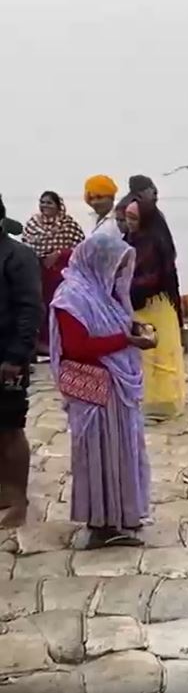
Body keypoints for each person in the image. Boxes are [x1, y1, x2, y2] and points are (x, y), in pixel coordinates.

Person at [50, 234, 158, 546]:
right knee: (98, 454)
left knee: (121, 451)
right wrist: (127, 341)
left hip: (114, 386)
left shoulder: (100, 294)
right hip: (93, 388)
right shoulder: (72, 297)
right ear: (99, 262)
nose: (120, 275)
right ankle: (101, 524)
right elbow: (77, 347)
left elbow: (110, 326)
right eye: (117, 266)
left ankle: (121, 515)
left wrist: (133, 331)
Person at [122, 202, 186, 419]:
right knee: (142, 357)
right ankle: (147, 399)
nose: (129, 223)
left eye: (133, 218)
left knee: (160, 354)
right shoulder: (131, 240)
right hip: (137, 304)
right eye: (127, 218)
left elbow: (154, 277)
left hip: (154, 304)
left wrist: (129, 289)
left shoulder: (153, 243)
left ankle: (163, 403)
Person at [0, 194, 42, 527]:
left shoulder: (18, 256)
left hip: (7, 357)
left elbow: (31, 309)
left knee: (10, 430)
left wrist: (16, 356)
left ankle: (18, 503)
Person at [22, 191, 86, 357]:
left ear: (58, 206)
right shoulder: (32, 224)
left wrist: (59, 253)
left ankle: (59, 344)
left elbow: (81, 250)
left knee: (60, 309)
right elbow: (25, 248)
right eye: (42, 202)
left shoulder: (68, 224)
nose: (44, 206)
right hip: (38, 274)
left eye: (49, 203)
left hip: (61, 276)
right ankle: (41, 345)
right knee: (39, 309)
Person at [84, 175, 122, 239]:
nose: (95, 202)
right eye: (91, 198)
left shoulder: (119, 219)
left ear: (112, 197)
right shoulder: (91, 217)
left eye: (99, 197)